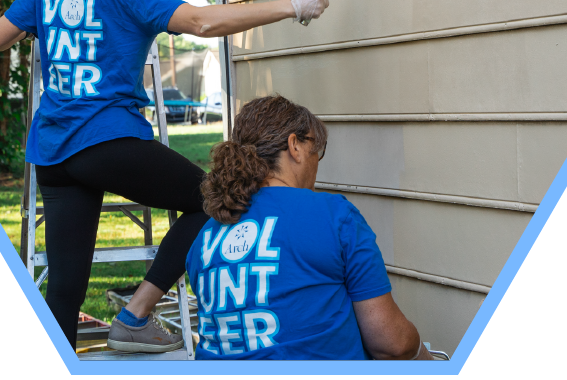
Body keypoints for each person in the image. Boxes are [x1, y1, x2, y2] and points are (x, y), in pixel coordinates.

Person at [0, 0, 333, 352]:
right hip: (104, 137)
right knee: (213, 198)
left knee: (64, 288)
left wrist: (52, 26)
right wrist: (293, 5)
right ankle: (135, 315)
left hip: (54, 152)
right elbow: (203, 21)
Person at [186, 95, 434, 360]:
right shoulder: (334, 215)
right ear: (295, 146)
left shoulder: (205, 238)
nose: (317, 161)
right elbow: (391, 344)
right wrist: (427, 359)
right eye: (318, 150)